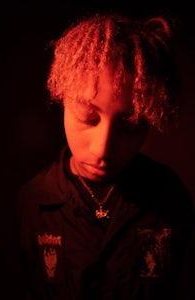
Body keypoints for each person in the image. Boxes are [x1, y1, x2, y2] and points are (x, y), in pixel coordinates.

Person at [15, 11, 195, 300]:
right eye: (88, 117)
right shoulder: (31, 203)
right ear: (63, 98)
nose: (102, 149)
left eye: (131, 125)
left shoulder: (170, 199)